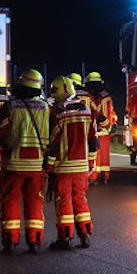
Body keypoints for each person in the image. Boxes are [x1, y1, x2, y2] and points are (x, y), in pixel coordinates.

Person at [0, 69, 50, 253]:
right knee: (34, 201)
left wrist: (5, 143)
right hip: (37, 164)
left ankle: (11, 240)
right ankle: (35, 240)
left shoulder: (12, 106)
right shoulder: (46, 107)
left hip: (14, 163)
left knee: (10, 200)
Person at [46, 76, 97, 249]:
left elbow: (53, 143)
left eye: (54, 90)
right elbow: (93, 141)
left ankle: (65, 238)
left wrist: (49, 166)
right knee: (80, 200)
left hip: (64, 168)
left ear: (63, 90)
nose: (53, 94)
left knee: (64, 201)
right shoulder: (87, 110)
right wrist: (91, 163)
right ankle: (85, 234)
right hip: (82, 167)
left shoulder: (58, 114)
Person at [84, 71, 117, 183]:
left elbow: (102, 115)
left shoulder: (102, 98)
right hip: (104, 130)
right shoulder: (103, 96)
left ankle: (96, 176)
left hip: (102, 130)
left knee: (98, 155)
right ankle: (103, 176)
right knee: (103, 156)